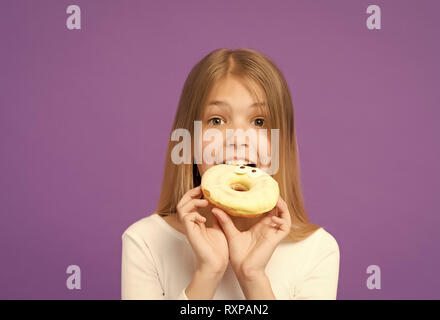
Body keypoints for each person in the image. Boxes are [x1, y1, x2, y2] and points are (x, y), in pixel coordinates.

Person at [121, 48, 340, 300]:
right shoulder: (146, 241)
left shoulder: (316, 250)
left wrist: (252, 276)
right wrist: (208, 272)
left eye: (259, 122)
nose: (238, 139)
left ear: (281, 145)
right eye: (216, 120)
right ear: (189, 140)